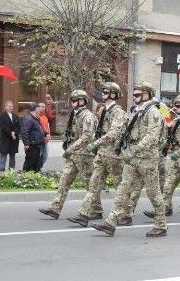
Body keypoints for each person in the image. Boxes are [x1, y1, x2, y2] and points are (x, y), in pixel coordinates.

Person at [90, 81, 168, 237]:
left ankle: (161, 225)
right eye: (135, 94)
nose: (136, 96)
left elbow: (152, 136)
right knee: (123, 189)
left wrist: (136, 150)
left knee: (154, 193)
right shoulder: (137, 111)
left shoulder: (152, 112)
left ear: (148, 95)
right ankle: (111, 222)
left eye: (139, 94)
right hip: (132, 157)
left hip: (147, 158)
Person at [66, 82, 127, 225]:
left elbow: (114, 133)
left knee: (120, 186)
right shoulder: (105, 110)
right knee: (93, 184)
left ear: (113, 94)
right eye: (103, 91)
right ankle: (84, 214)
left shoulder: (118, 112)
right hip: (101, 154)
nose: (103, 94)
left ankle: (125, 214)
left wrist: (95, 143)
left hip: (114, 155)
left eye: (106, 92)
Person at [38, 90, 97, 219]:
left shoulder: (87, 116)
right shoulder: (74, 115)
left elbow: (87, 136)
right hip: (73, 154)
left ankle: (97, 209)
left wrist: (72, 147)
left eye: (75, 100)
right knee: (64, 180)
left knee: (90, 184)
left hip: (84, 155)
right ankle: (55, 208)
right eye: (72, 100)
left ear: (82, 101)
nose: (72, 103)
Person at [145, 94, 180, 218]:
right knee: (168, 184)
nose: (175, 108)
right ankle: (165, 208)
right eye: (174, 106)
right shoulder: (177, 121)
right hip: (176, 155)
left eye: (178, 106)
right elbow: (168, 137)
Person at [21, 102, 45, 172]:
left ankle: (35, 179)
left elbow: (37, 130)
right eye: (38, 107)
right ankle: (25, 178)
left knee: (36, 164)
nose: (40, 109)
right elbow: (24, 132)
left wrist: (45, 134)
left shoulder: (35, 118)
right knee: (29, 163)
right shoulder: (28, 119)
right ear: (35, 109)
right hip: (32, 145)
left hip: (37, 144)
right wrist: (26, 144)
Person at [0, 101, 20, 171]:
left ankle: (11, 171)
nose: (11, 108)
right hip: (5, 139)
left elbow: (18, 126)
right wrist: (11, 133)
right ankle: (1, 171)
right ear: (5, 107)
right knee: (3, 155)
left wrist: (14, 132)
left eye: (12, 106)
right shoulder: (2, 116)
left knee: (12, 156)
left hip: (13, 140)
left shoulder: (15, 116)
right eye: (9, 106)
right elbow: (3, 127)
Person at [38, 102, 51, 170]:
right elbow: (39, 129)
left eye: (44, 107)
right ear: (38, 107)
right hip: (39, 139)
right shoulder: (36, 117)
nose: (44, 108)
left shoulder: (45, 117)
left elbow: (47, 127)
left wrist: (49, 135)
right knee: (39, 155)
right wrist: (44, 136)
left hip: (45, 139)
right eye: (42, 106)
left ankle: (39, 167)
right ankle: (37, 168)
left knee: (45, 155)